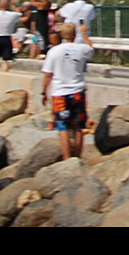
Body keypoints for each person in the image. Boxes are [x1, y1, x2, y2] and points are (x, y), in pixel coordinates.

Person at [40, 21, 94, 160]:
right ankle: (78, 156)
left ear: (61, 34)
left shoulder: (54, 51)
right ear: (75, 34)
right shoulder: (82, 49)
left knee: (62, 127)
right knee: (78, 126)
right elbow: (90, 48)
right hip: (78, 91)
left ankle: (66, 157)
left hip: (59, 93)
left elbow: (48, 75)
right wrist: (84, 34)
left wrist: (43, 92)